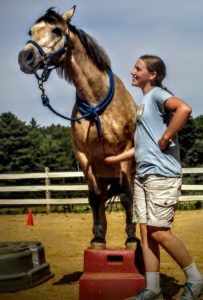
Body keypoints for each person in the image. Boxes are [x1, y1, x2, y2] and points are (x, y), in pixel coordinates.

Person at [105, 55, 202, 300]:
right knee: (146, 232)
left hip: (162, 175)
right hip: (144, 176)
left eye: (138, 68)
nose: (132, 72)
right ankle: (153, 290)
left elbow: (185, 108)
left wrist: (167, 136)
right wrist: (116, 160)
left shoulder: (157, 95)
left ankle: (196, 279)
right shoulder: (144, 104)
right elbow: (142, 145)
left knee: (159, 231)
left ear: (153, 74)